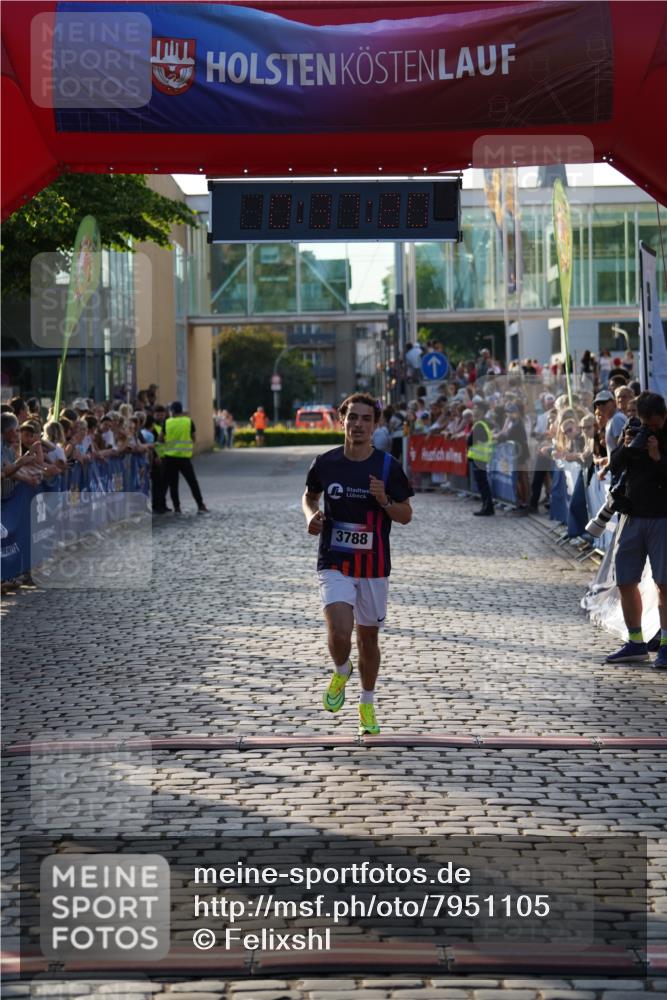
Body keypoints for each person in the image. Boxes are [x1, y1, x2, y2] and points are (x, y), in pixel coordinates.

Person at [302, 393, 413, 736]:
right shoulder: (326, 462)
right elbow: (309, 495)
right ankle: (340, 670)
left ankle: (366, 701)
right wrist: (310, 516)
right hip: (334, 560)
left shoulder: (387, 467)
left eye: (366, 419)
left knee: (368, 640)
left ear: (375, 425)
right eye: (353, 418)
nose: (359, 425)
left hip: (374, 565)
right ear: (342, 421)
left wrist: (384, 500)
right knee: (337, 631)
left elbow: (406, 515)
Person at [604, 391, 667, 668]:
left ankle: (665, 645)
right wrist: (626, 445)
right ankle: (636, 642)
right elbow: (615, 464)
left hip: (662, 517)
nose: (651, 429)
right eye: (647, 424)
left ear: (664, 416)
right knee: (625, 580)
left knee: (664, 584)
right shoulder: (633, 429)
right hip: (632, 515)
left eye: (655, 424)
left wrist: (657, 457)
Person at [162, 401, 209, 514]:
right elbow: (193, 437)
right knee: (192, 482)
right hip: (184, 458)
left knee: (173, 484)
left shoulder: (167, 422)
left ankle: (177, 507)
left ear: (172, 411)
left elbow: (161, 438)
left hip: (170, 457)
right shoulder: (188, 421)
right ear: (181, 410)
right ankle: (200, 505)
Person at [467, 398, 495, 516]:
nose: (474, 410)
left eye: (476, 408)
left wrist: (470, 438)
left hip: (479, 458)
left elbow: (471, 441)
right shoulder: (482, 423)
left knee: (483, 484)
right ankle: (486, 506)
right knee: (483, 484)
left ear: (482, 411)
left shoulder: (479, 424)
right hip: (481, 458)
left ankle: (487, 507)